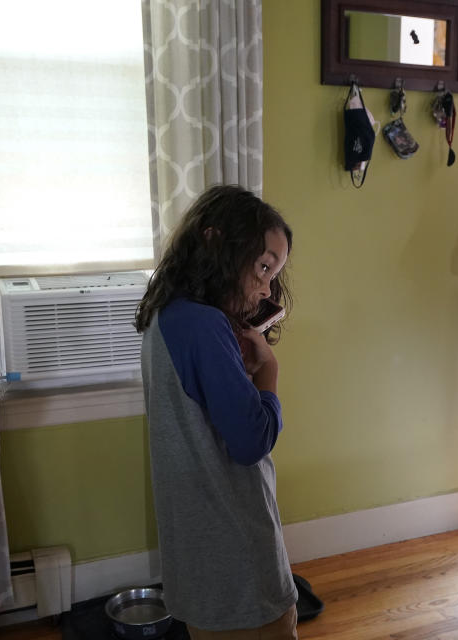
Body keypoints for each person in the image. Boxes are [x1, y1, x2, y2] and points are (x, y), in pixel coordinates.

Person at [135, 185, 298, 638]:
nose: (267, 286)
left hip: (194, 554)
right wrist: (268, 371)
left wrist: (234, 370)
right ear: (216, 243)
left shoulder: (165, 314)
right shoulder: (206, 326)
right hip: (238, 553)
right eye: (264, 266)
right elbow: (251, 441)